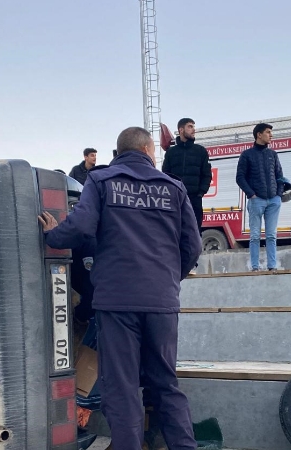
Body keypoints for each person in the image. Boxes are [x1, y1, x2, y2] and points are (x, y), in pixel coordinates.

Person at [39, 126, 201, 450]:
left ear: (118, 153)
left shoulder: (101, 181)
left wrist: (53, 234)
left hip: (117, 301)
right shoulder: (175, 187)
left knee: (122, 389)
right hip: (161, 301)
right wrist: (169, 279)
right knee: (166, 385)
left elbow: (82, 225)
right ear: (148, 150)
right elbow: (193, 247)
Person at [236, 123, 283, 272]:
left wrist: (279, 195)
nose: (271, 135)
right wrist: (252, 194)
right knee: (255, 236)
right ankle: (255, 268)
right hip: (256, 200)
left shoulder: (273, 154)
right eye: (268, 132)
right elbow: (240, 177)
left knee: (271, 236)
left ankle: (272, 267)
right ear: (259, 135)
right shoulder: (247, 155)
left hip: (273, 201)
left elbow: (280, 176)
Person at [161, 118, 213, 233]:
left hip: (194, 199)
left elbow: (207, 174)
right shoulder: (171, 152)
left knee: (195, 232)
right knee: (175, 231)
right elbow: (166, 174)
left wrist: (200, 193)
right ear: (181, 129)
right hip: (175, 199)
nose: (193, 130)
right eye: (190, 127)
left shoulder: (200, 151)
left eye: (193, 127)